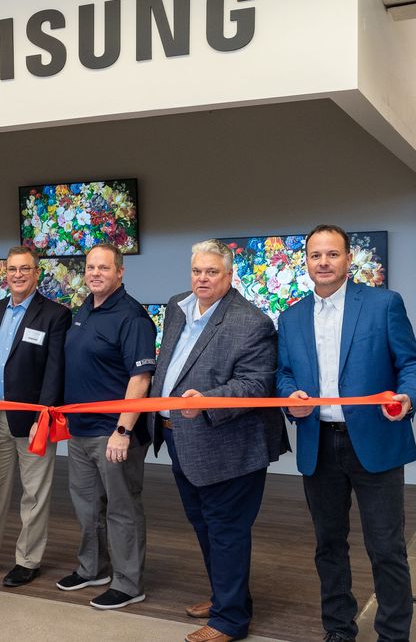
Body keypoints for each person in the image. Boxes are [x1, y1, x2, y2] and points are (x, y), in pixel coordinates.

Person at [276, 225, 416, 642]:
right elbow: (283, 373)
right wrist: (290, 396)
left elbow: (412, 365)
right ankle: (339, 630)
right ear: (305, 261)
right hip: (318, 444)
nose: (323, 262)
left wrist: (406, 399)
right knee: (328, 546)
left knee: (386, 549)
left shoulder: (383, 305)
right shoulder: (290, 318)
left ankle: (393, 635)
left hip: (375, 441)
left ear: (348, 260)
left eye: (332, 254)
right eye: (315, 255)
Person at [149, 240, 288, 642]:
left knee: (226, 529)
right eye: (197, 271)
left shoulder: (252, 322)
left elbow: (257, 384)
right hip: (181, 438)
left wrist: (207, 401)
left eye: (212, 272)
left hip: (229, 444)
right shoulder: (178, 305)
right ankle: (227, 596)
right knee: (204, 524)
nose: (202, 279)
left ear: (229, 276)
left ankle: (230, 621)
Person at [0, 246, 71, 587]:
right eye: (12, 269)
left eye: (25, 269)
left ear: (36, 273)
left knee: (35, 492)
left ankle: (28, 559)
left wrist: (45, 413)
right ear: (4, 274)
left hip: (33, 419)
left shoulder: (55, 314)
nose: (18, 275)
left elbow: (55, 369)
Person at [57, 243, 155, 611]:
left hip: (113, 433)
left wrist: (124, 430)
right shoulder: (85, 309)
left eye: (104, 267)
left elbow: (141, 378)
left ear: (120, 272)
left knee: (122, 508)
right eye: (90, 267)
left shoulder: (132, 317)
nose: (95, 273)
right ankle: (92, 568)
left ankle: (128, 584)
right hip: (80, 429)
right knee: (87, 508)